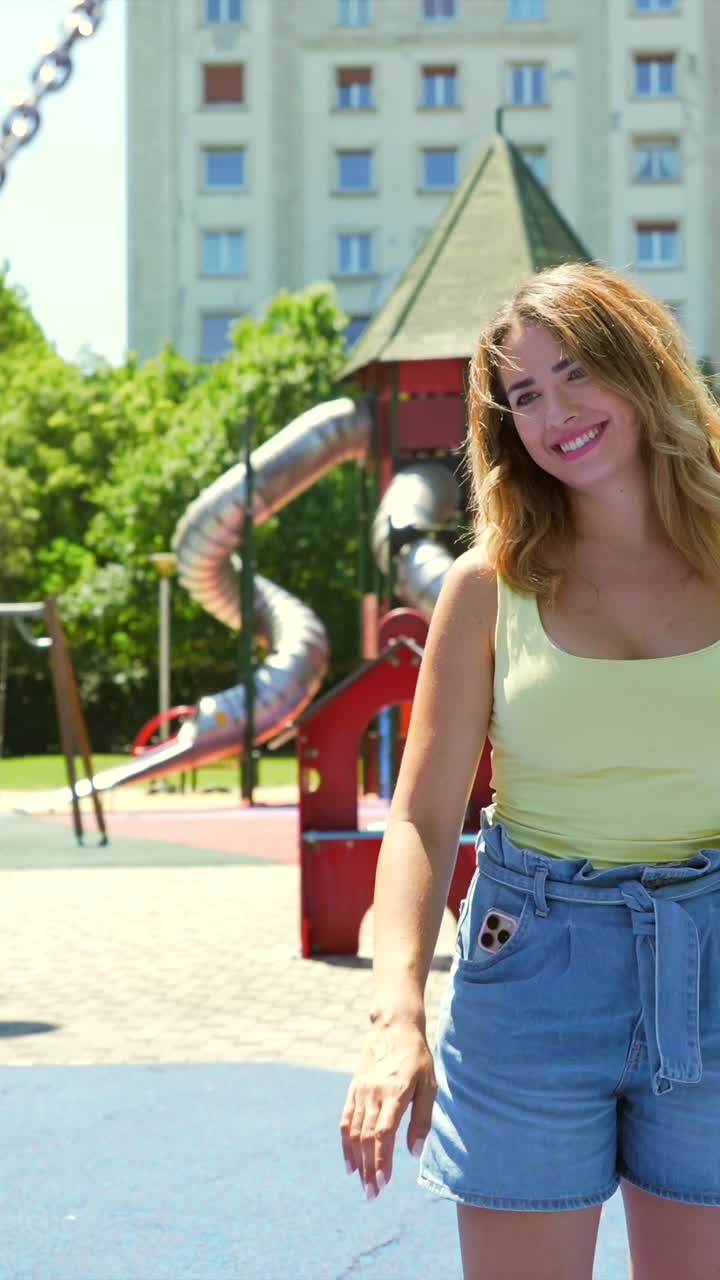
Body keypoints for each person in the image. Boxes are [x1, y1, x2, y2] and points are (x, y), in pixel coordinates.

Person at [339, 261, 720, 1280]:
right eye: (524, 395)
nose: (555, 412)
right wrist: (395, 1015)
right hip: (535, 967)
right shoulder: (487, 584)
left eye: (576, 371)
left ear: (643, 366)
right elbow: (421, 816)